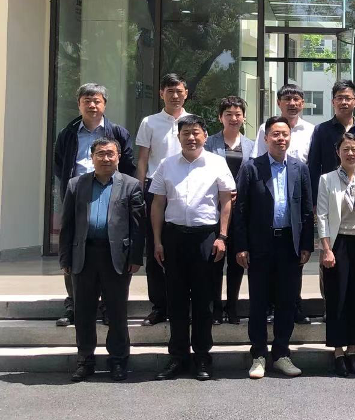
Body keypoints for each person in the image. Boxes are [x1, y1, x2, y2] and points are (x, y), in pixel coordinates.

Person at [150, 114, 236, 381]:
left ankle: (202, 357)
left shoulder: (217, 163)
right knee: (176, 300)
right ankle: (177, 357)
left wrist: (222, 236)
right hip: (174, 238)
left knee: (204, 301)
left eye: (196, 132)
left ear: (205, 136)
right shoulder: (166, 165)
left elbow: (226, 201)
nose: (191, 137)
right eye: (185, 133)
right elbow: (157, 204)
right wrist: (157, 241)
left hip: (206, 239)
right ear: (178, 137)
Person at [58, 138, 145, 382]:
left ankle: (118, 360)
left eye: (110, 154)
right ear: (92, 157)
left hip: (116, 256)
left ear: (118, 157)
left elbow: (138, 226)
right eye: (100, 154)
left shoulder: (131, 185)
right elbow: (67, 225)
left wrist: (135, 257)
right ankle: (85, 360)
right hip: (84, 255)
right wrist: (65, 257)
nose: (105, 158)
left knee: (117, 311)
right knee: (84, 311)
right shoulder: (76, 184)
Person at [234, 117, 314, 380]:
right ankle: (258, 354)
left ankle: (281, 354)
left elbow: (306, 210)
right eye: (275, 134)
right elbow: (240, 210)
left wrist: (306, 244)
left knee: (286, 302)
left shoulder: (300, 168)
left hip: (289, 244)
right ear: (266, 138)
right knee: (258, 302)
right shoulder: (251, 168)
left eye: (285, 134)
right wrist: (242, 245)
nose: (281, 139)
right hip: (260, 244)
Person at [53, 83, 136, 327]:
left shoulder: (117, 132)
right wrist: (73, 187)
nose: (92, 105)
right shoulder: (68, 133)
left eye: (97, 101)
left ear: (104, 104)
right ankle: (74, 304)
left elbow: (128, 164)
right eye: (86, 101)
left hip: (111, 193)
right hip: (78, 194)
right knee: (75, 247)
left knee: (111, 246)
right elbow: (59, 164)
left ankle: (109, 307)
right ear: (79, 104)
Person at [316, 132, 355, 377]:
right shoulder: (327, 179)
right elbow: (321, 215)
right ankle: (338, 351)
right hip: (338, 243)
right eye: (345, 149)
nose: (350, 153)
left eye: (354, 149)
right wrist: (326, 249)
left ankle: (353, 349)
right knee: (337, 297)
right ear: (337, 152)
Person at [135, 72, 189, 327]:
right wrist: (139, 191)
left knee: (181, 250)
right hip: (155, 192)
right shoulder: (150, 122)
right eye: (170, 91)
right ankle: (158, 306)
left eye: (179, 91)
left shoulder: (192, 121)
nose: (175, 96)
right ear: (161, 94)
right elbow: (143, 159)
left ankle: (183, 304)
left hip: (186, 192)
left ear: (185, 94)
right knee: (155, 249)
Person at [204, 96, 255, 325]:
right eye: (228, 114)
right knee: (215, 260)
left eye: (238, 114)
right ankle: (215, 307)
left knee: (237, 259)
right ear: (220, 117)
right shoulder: (209, 143)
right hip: (214, 208)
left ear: (243, 117)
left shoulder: (252, 145)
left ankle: (232, 307)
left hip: (242, 210)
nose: (233, 118)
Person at [252, 83, 314, 164]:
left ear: (302, 103)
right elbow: (258, 158)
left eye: (296, 99)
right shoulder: (265, 128)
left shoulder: (311, 130)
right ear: (278, 103)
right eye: (287, 99)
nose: (292, 103)